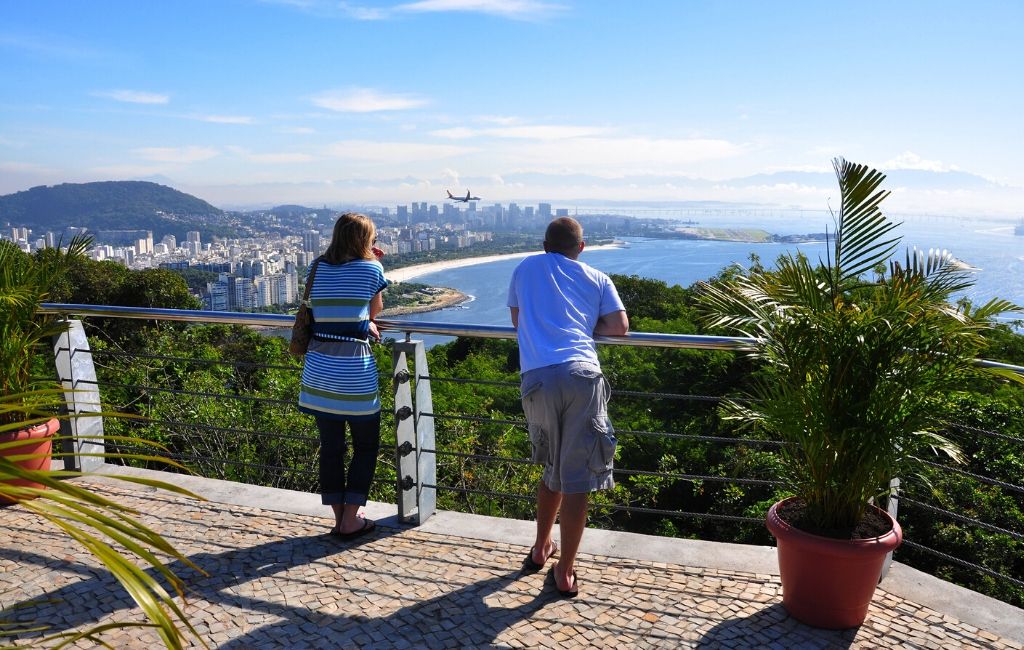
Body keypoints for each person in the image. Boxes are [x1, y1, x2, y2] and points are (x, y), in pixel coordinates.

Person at [507, 217, 629, 598]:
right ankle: (566, 572)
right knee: (578, 480)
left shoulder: (525, 267)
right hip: (581, 374)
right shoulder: (597, 278)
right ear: (582, 246)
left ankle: (541, 547)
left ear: (545, 245)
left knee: (551, 467)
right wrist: (583, 328)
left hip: (538, 377)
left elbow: (517, 319)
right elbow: (620, 327)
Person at [298, 212, 389, 539]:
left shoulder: (315, 267)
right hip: (354, 372)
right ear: (366, 241)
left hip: (319, 371)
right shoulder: (372, 268)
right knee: (366, 445)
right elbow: (373, 310)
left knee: (331, 446)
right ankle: (352, 517)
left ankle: (340, 518)